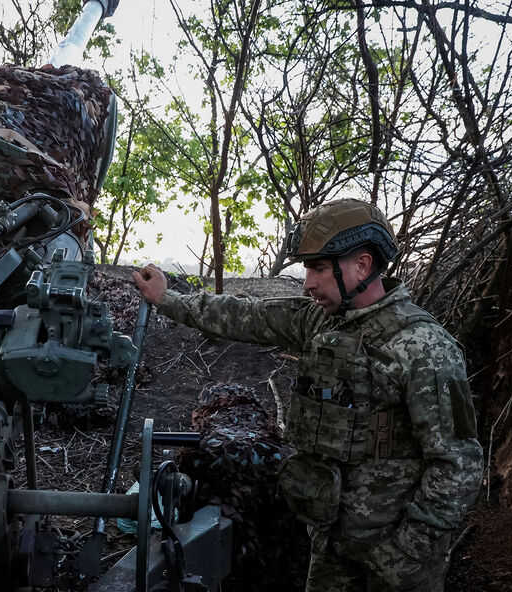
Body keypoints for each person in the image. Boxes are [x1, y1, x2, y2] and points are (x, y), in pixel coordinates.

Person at [131, 198, 483, 591]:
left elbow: (458, 464)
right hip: (331, 543)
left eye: (318, 268)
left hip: (396, 561)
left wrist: (407, 550)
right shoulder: (320, 319)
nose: (308, 282)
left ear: (362, 265)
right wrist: (167, 298)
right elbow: (247, 316)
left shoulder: (423, 348)